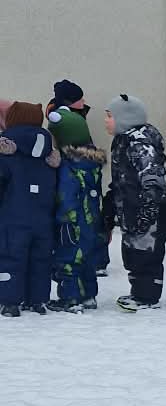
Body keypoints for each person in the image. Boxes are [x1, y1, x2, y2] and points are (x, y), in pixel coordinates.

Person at [103, 95, 166, 312]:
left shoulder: (140, 143)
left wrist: (148, 211)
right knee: (132, 252)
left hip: (150, 210)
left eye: (109, 116)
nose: (106, 121)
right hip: (132, 208)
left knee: (146, 255)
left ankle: (147, 296)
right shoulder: (123, 141)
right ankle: (138, 291)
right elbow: (123, 178)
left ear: (125, 118)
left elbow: (153, 178)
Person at [0, 102, 61, 316]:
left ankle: (9, 302)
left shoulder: (6, 153)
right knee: (40, 260)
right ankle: (38, 300)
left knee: (11, 258)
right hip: (43, 218)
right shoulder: (49, 154)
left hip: (13, 217)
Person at [45, 105, 105, 311]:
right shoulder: (90, 162)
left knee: (68, 259)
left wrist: (61, 216)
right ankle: (89, 295)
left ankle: (70, 298)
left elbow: (66, 193)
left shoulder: (68, 166)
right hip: (91, 219)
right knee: (87, 258)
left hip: (70, 221)